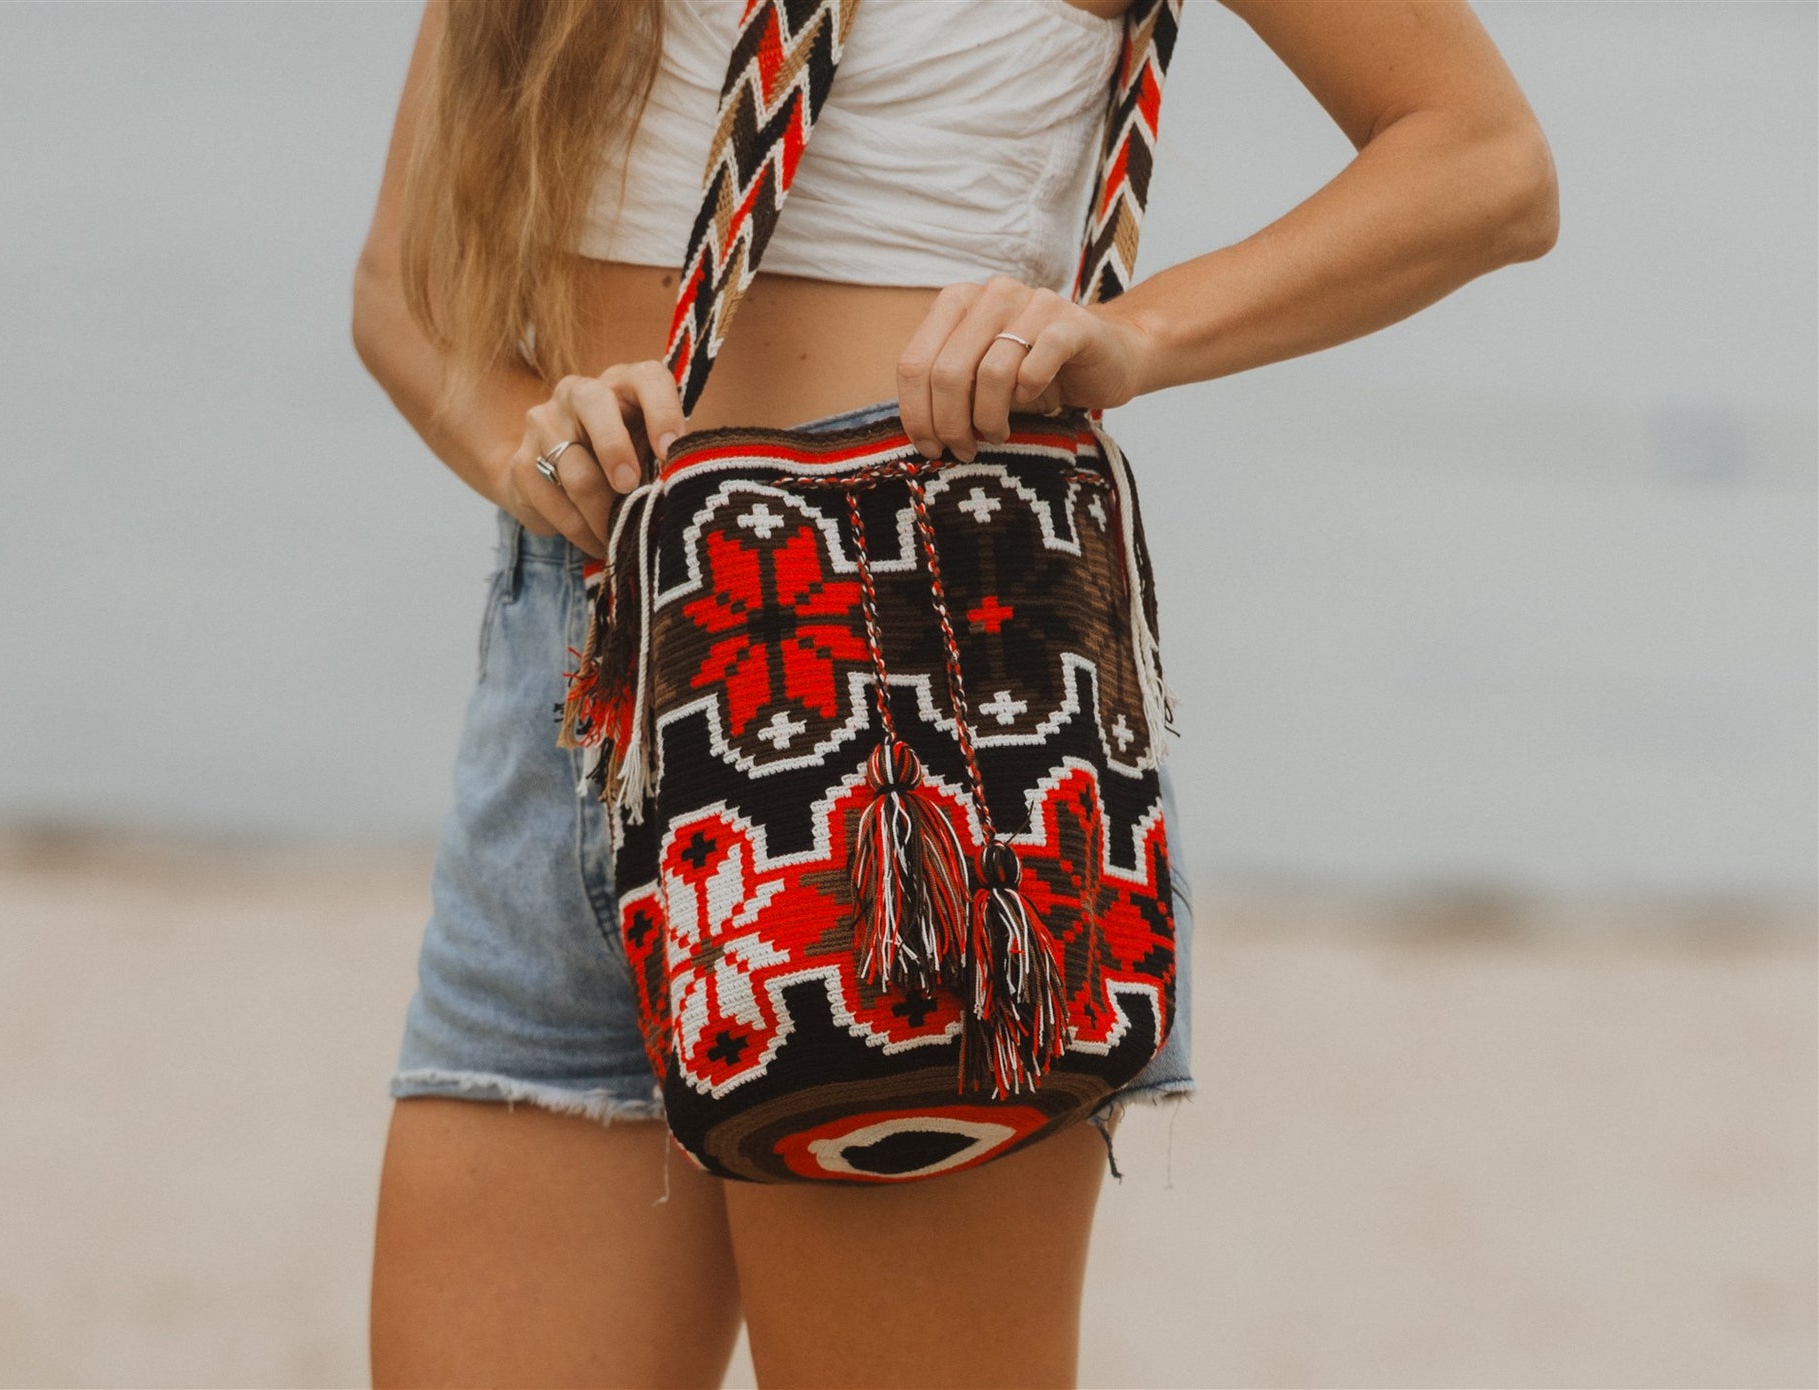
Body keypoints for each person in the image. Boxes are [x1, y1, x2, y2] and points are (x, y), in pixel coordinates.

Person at [351, 1, 1557, 1384]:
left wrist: (1135, 333)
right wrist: (527, 443)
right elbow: (402, 288)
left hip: (914, 713)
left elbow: (1483, 160)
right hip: (578, 692)